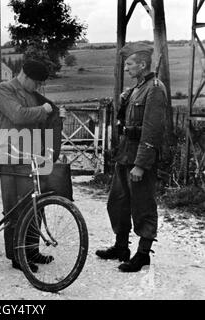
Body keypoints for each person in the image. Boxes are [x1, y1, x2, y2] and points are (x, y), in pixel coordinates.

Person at [95, 42, 167, 272]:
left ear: (142, 64)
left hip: (139, 159)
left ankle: (143, 253)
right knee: (117, 202)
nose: (126, 68)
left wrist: (141, 164)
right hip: (125, 155)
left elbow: (152, 129)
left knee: (142, 205)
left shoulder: (155, 88)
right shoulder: (136, 89)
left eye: (129, 64)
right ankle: (120, 246)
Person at [0, 60, 62, 272]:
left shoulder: (33, 94)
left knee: (35, 206)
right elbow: (17, 114)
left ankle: (31, 250)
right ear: (24, 76)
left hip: (33, 156)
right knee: (14, 207)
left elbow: (41, 122)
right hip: (11, 157)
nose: (39, 88)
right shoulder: (4, 89)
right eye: (37, 83)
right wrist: (43, 109)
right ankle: (16, 256)